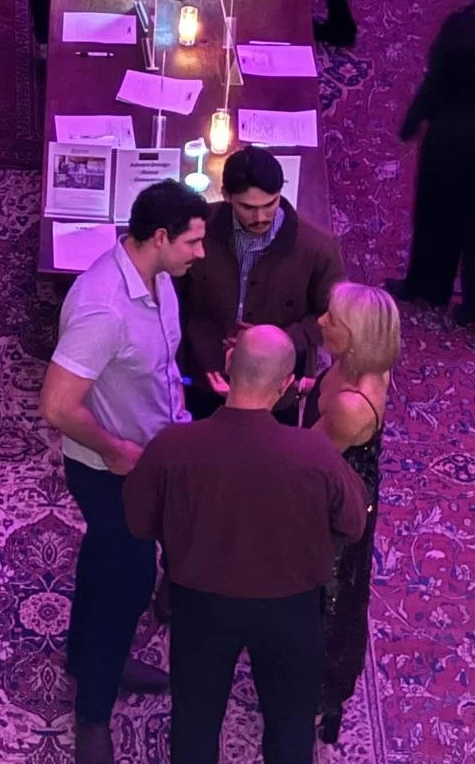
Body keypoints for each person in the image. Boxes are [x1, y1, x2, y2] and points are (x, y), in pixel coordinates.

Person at [123, 326, 369, 764]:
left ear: (229, 372)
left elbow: (138, 521)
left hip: (201, 606)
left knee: (194, 722)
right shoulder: (314, 453)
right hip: (290, 611)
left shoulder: (173, 446)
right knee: (290, 727)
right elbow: (353, 523)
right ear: (286, 386)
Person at [38, 181, 209, 764]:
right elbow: (57, 405)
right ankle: (92, 714)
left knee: (105, 557)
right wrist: (114, 450)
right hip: (110, 468)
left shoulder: (160, 280)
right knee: (128, 581)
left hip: (149, 450)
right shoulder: (103, 307)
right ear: (160, 238)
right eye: (193, 241)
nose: (201, 252)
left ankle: (81, 654)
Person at [179, 145, 344, 423]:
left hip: (277, 386)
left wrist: (276, 340)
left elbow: (331, 317)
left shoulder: (317, 248)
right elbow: (178, 301)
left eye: (271, 204)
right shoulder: (198, 231)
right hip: (208, 374)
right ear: (226, 196)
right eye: (248, 207)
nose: (261, 217)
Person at [304, 283, 402, 744]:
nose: (320, 322)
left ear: (357, 337)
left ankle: (317, 700)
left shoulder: (350, 405)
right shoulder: (361, 364)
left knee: (328, 594)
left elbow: (305, 459)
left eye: (331, 320)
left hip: (333, 502)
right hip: (341, 478)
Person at [386, 0, 475, 322]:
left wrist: (414, 118)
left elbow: (438, 80)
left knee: (438, 211)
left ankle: (428, 286)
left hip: (454, 135)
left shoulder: (461, 28)